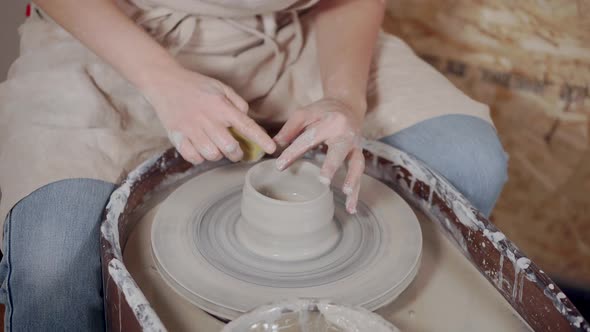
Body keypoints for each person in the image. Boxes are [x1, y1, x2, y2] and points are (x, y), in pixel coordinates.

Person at [0, 0, 508, 330]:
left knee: (466, 162)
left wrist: (343, 99)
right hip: (113, 38)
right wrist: (164, 82)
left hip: (293, 34)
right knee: (52, 264)